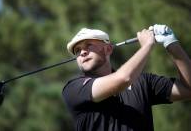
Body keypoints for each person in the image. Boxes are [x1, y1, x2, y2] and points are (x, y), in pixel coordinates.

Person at [62, 24, 191, 131]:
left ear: (108, 49)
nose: (83, 52)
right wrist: (147, 45)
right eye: (77, 50)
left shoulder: (142, 81)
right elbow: (123, 79)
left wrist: (172, 43)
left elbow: (187, 89)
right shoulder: (74, 89)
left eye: (89, 45)